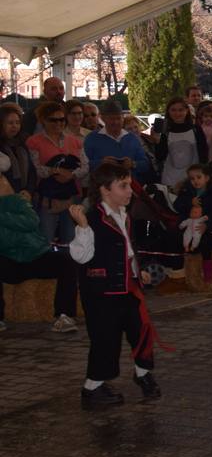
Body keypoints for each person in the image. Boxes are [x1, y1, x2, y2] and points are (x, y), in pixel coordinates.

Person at [69, 162, 163, 408]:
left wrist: (138, 270)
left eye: (129, 185)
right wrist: (82, 228)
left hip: (128, 288)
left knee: (141, 331)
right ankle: (92, 389)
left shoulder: (125, 215)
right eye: (123, 186)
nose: (130, 190)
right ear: (104, 189)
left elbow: (129, 249)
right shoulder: (91, 219)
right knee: (105, 340)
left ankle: (143, 374)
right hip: (102, 293)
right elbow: (80, 256)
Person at [0, 171, 79, 333]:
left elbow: (31, 221)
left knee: (67, 260)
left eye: (2, 179)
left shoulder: (18, 201)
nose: (4, 183)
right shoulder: (20, 203)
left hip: (36, 255)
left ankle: (64, 315)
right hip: (9, 260)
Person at [27, 100, 88, 244]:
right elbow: (35, 168)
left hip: (71, 197)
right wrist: (56, 172)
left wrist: (71, 175)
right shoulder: (34, 142)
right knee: (45, 239)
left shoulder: (74, 141)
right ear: (43, 120)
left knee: (71, 240)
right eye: (53, 120)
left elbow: (85, 166)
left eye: (61, 119)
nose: (58, 123)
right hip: (46, 199)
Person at [84, 100, 152, 184]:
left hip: (129, 186)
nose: (116, 122)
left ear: (123, 118)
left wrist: (132, 164)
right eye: (111, 119)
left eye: (118, 118)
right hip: (103, 187)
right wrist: (101, 163)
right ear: (103, 118)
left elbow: (145, 164)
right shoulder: (92, 138)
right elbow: (85, 165)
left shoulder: (132, 138)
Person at [153, 96, 208, 190]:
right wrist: (157, 141)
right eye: (173, 110)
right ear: (168, 112)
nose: (177, 113)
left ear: (186, 111)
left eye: (180, 110)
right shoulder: (165, 131)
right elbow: (160, 156)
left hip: (193, 180)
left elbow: (204, 154)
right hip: (170, 179)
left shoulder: (196, 129)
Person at [0, 104, 36, 197]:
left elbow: (31, 170)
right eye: (10, 123)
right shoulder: (2, 147)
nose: (14, 126)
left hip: (24, 194)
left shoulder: (21, 144)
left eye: (17, 122)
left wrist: (28, 191)